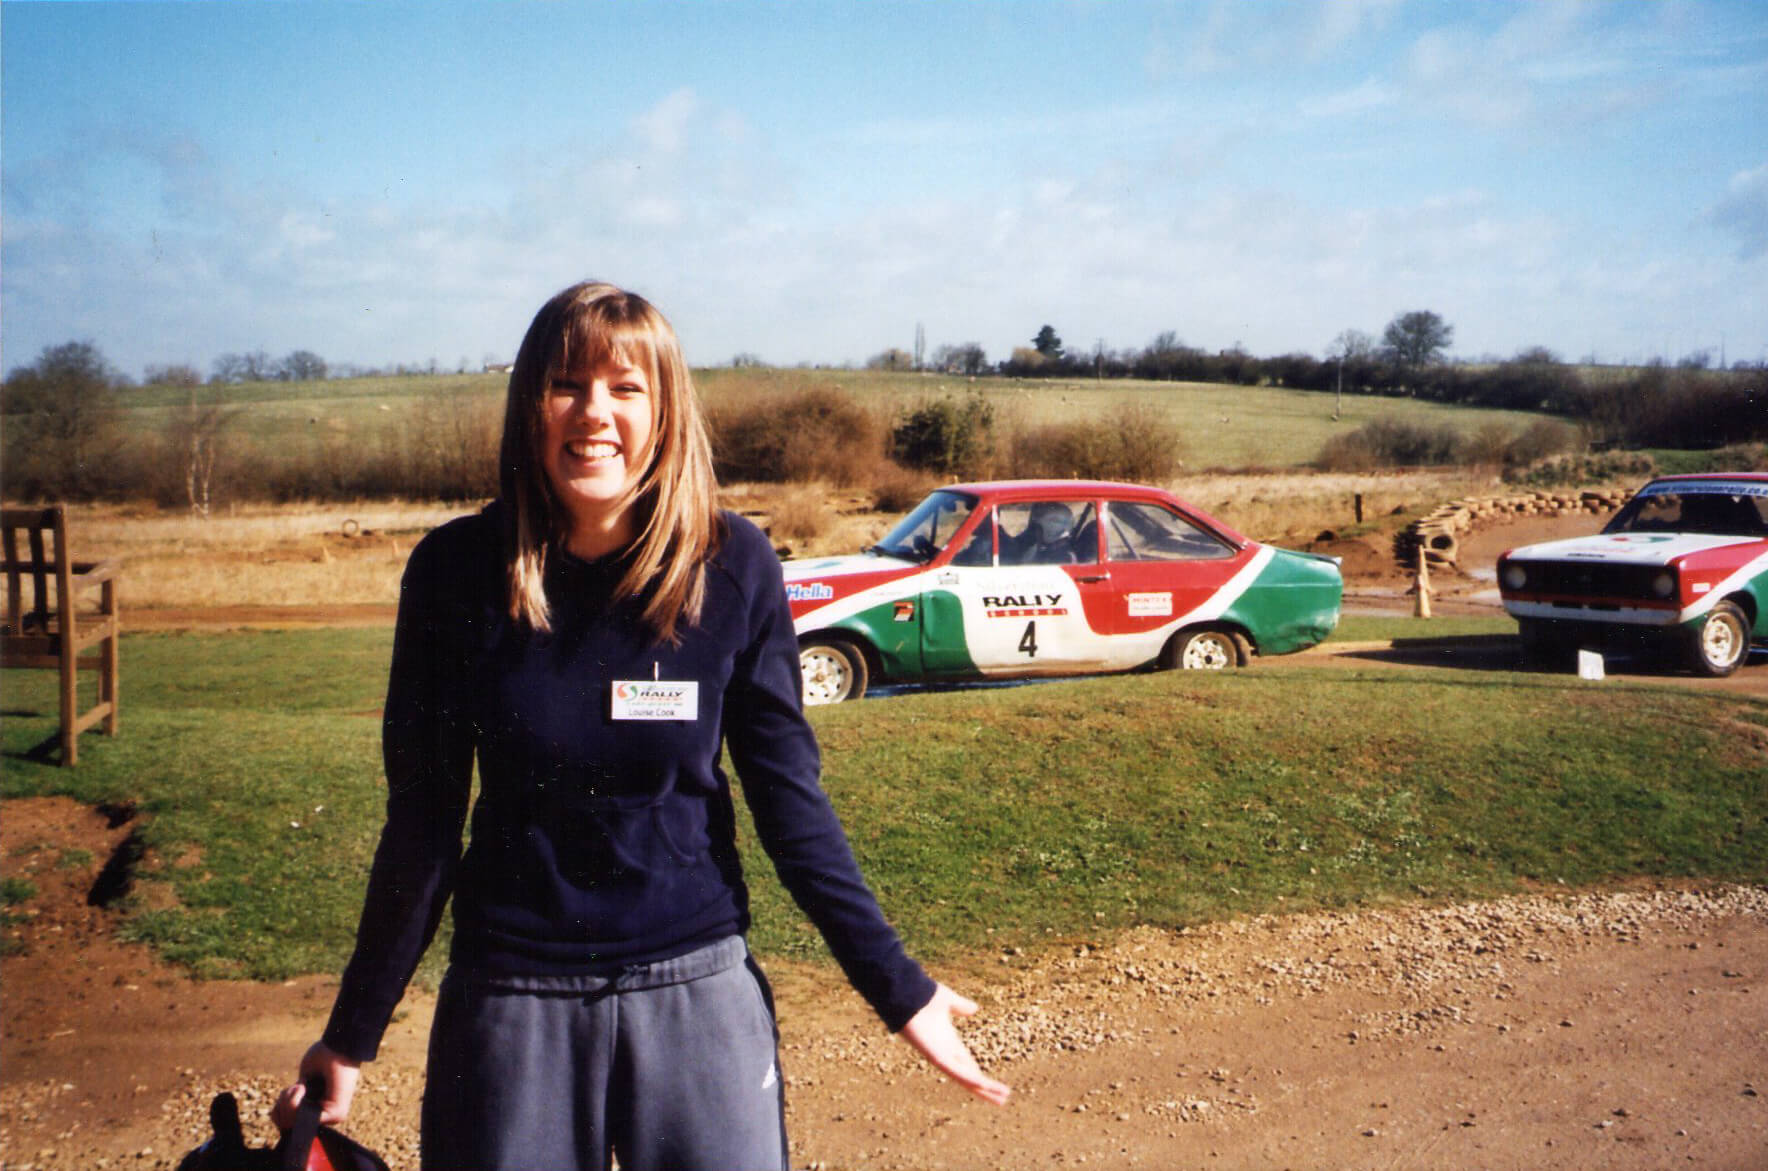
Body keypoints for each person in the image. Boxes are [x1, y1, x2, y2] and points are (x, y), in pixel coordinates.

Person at [276, 282, 1009, 1170]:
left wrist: (901, 990)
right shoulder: (453, 574)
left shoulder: (733, 565)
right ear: (528, 408)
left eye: (627, 388)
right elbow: (423, 824)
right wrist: (352, 1033)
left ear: (664, 415)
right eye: (566, 384)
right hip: (512, 999)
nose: (595, 413)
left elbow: (791, 804)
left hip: (695, 989)